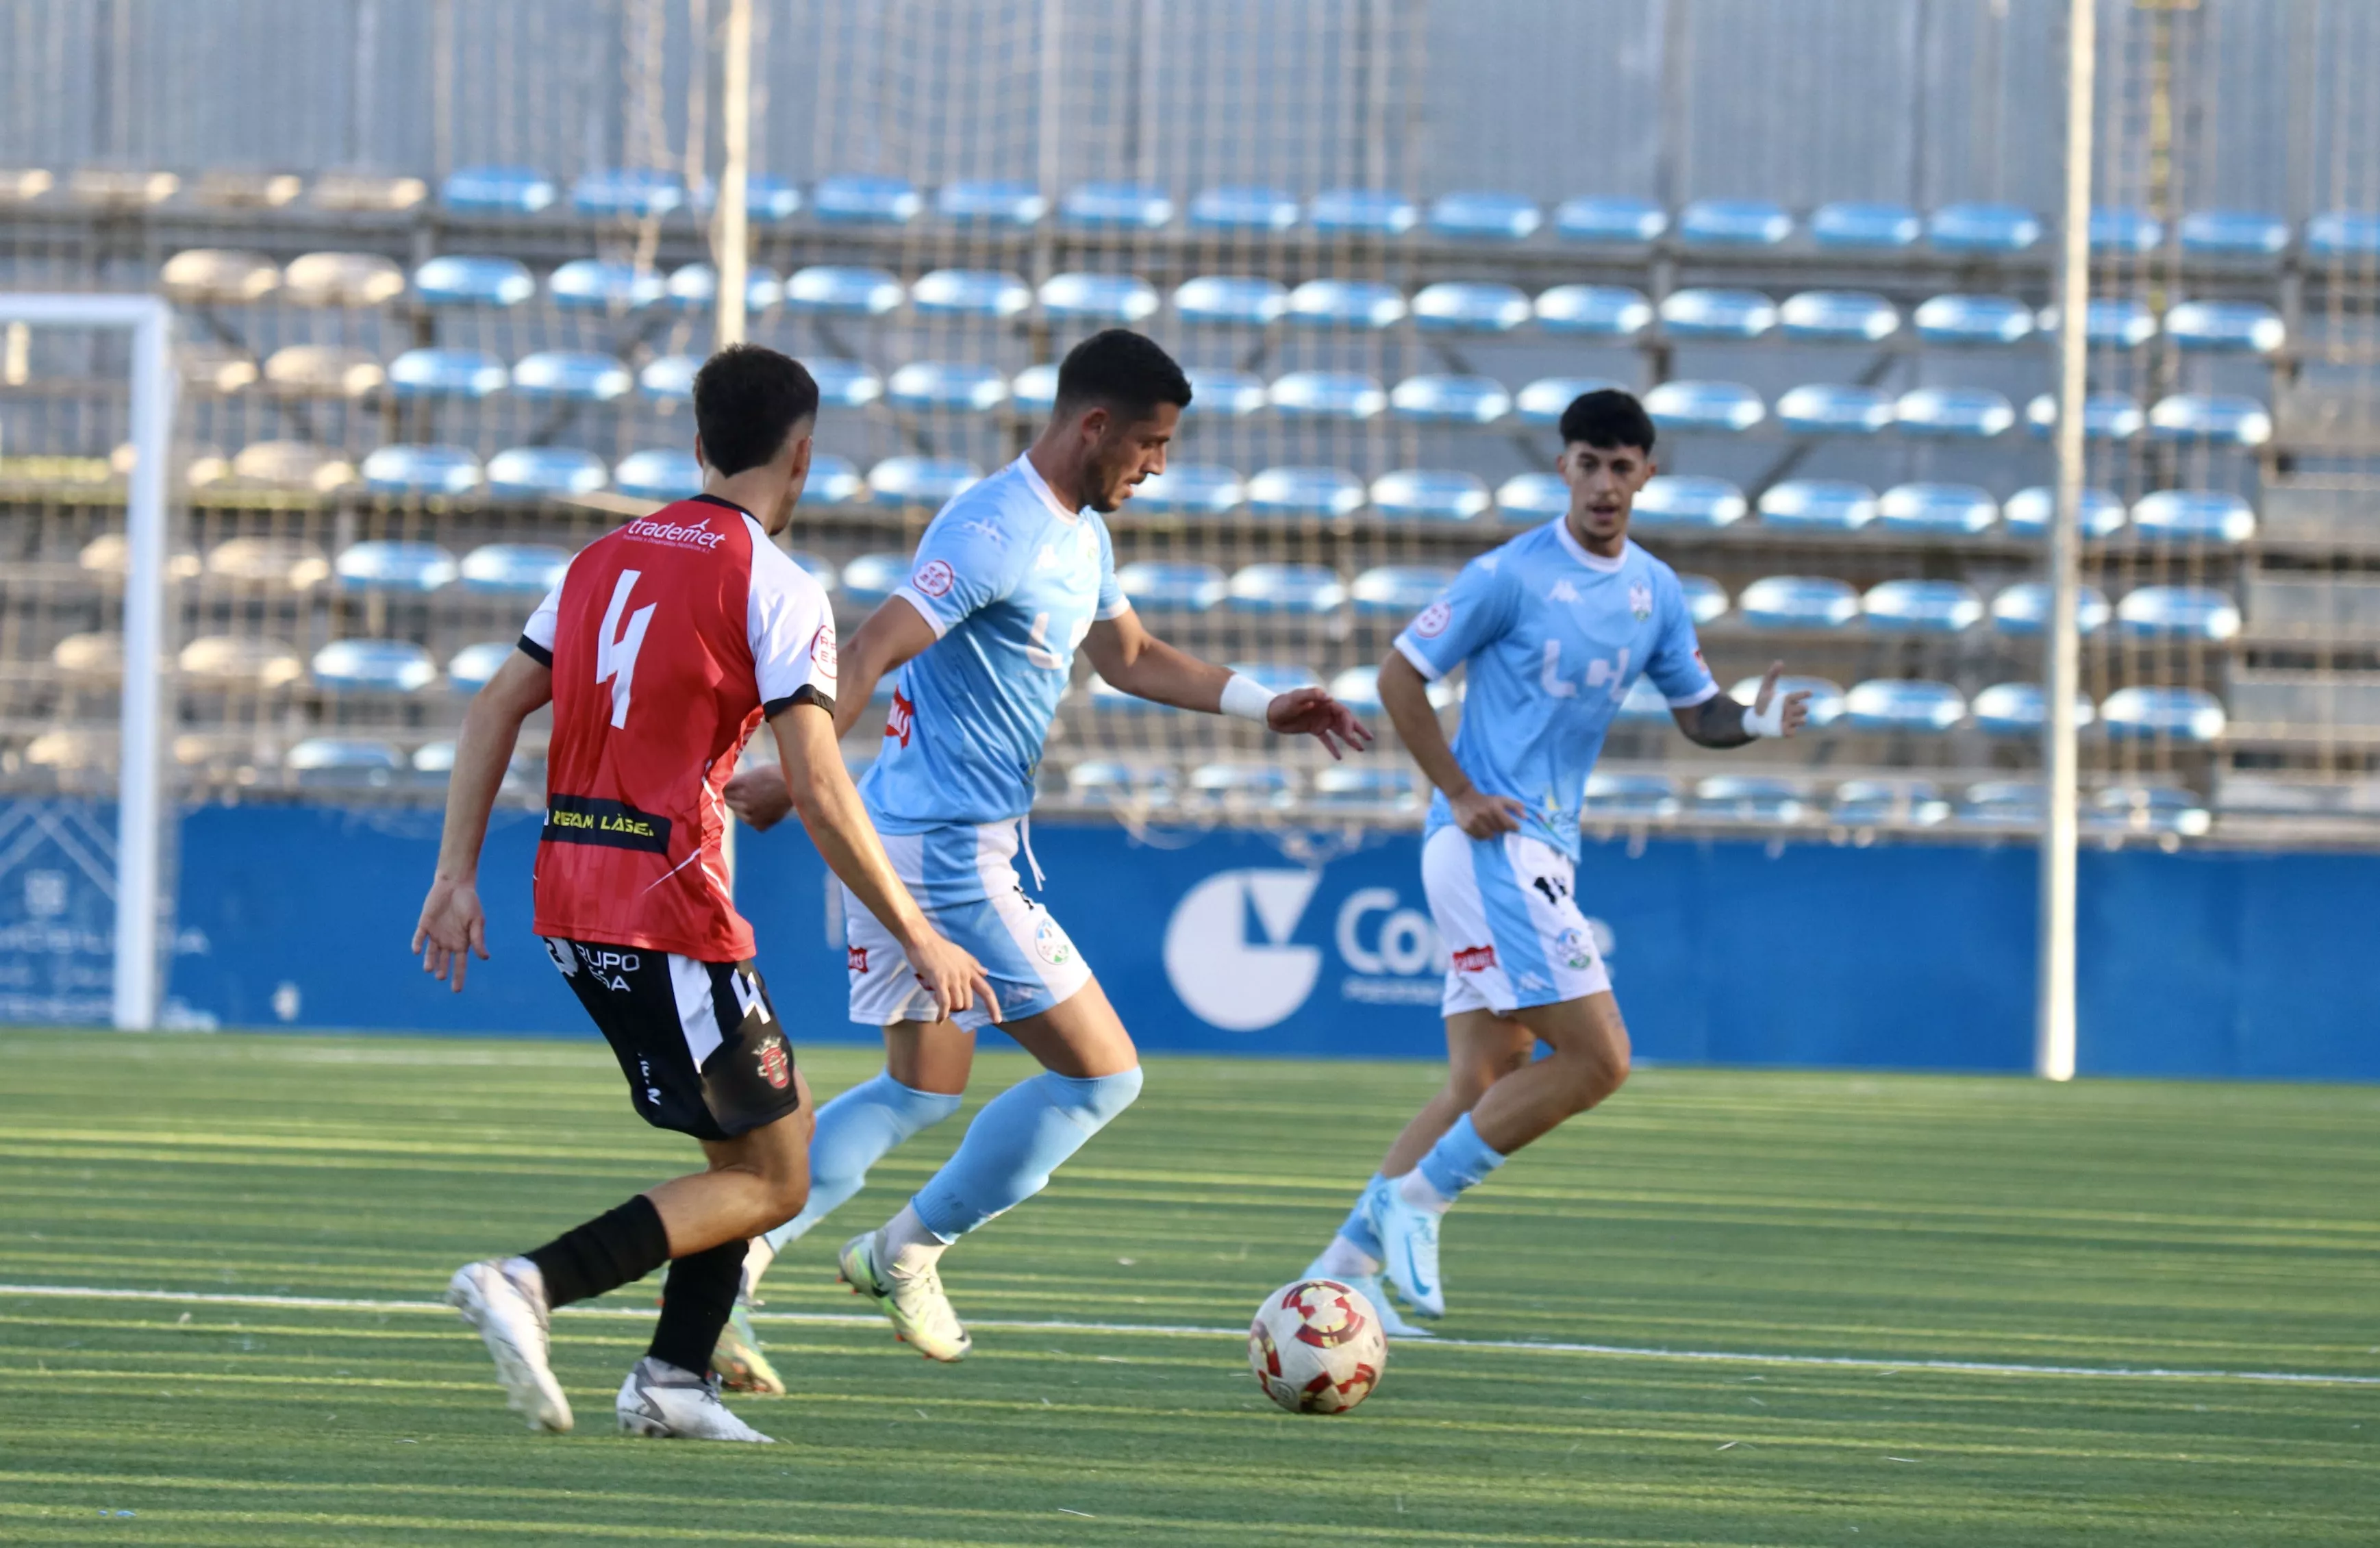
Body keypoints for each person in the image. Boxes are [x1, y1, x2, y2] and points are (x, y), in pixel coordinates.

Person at [713, 328, 1371, 1375]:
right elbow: (870, 650)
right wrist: (797, 776)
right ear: (1093, 425)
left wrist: (1263, 702)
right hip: (946, 857)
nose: (1156, 466)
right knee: (1101, 1079)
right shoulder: (994, 528)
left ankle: (732, 1273)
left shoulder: (1080, 534)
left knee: (919, 1091)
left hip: (912, 826)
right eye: (1149, 444)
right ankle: (905, 1251)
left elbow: (1132, 656)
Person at [410, 344, 993, 1440]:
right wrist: (915, 930)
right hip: (667, 904)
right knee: (776, 1176)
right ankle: (527, 1282)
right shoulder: (774, 585)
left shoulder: (599, 559)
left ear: (698, 447)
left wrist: (453, 877)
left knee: (752, 1145)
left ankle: (674, 1380)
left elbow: (494, 706)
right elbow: (818, 781)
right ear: (804, 457)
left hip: (569, 893)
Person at [1301, 388, 1810, 1334]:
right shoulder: (1509, 575)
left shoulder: (1653, 590)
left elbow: (1695, 711)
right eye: (1588, 463)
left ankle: (1330, 1280)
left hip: (1539, 850)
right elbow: (1396, 676)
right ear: (1562, 469)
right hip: (1491, 842)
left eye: (1623, 467)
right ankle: (1414, 1204)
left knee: (1482, 1081)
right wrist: (1456, 789)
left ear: (1647, 475)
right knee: (1601, 1059)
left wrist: (1749, 719)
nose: (1604, 485)